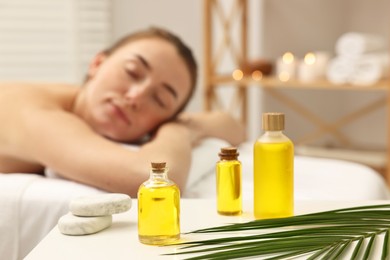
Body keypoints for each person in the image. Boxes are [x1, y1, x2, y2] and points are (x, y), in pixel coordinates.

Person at [0, 27, 245, 197]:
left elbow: (233, 127)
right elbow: (153, 178)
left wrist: (185, 125)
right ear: (97, 64)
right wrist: (178, 130)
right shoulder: (34, 111)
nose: (135, 97)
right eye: (132, 72)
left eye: (159, 100)